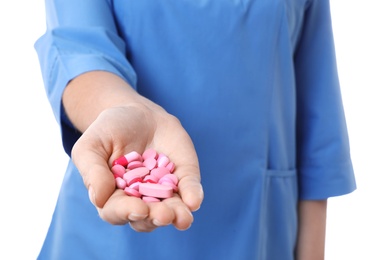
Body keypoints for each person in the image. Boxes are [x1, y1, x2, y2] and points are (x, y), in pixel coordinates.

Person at [34, 0, 356, 259]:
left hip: (258, 234)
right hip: (109, 236)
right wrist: (128, 110)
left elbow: (317, 132)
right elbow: (77, 51)